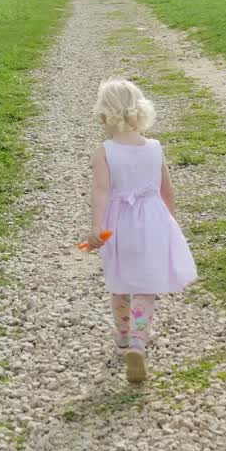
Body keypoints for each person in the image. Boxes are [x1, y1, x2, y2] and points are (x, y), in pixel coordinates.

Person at [85, 80, 197, 384]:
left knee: (120, 282)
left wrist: (97, 227)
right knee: (146, 286)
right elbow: (168, 192)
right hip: (151, 224)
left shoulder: (104, 151)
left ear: (103, 116)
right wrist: (168, 225)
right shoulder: (154, 148)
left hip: (118, 226)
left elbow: (101, 191)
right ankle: (138, 341)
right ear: (140, 112)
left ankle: (122, 337)